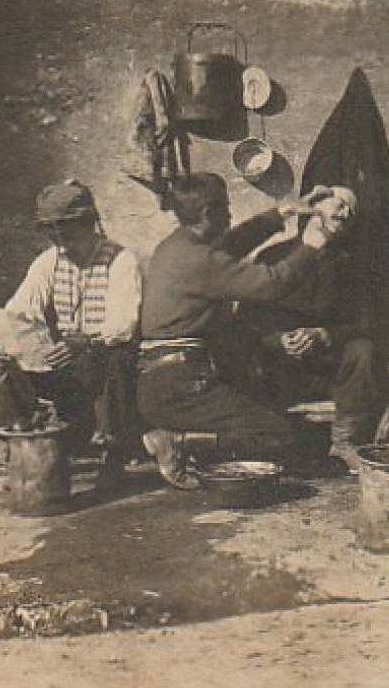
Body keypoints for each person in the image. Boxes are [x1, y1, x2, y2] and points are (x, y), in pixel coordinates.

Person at [137, 173, 333, 487]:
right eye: (225, 209)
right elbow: (271, 283)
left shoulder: (177, 245)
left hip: (164, 380)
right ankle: (179, 440)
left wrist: (283, 212)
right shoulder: (199, 260)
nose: (230, 215)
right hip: (180, 387)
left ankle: (187, 440)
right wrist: (313, 246)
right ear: (207, 214)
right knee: (275, 433)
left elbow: (231, 244)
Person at [0, 181, 143, 479]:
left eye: (69, 235)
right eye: (54, 236)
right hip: (68, 363)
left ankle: (113, 448)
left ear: (90, 225)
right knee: (0, 353)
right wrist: (5, 339)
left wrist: (84, 341)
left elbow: (124, 325)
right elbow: (20, 309)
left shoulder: (120, 260)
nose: (61, 244)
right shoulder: (49, 262)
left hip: (101, 360)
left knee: (117, 354)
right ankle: (18, 440)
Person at [231, 187, 376, 471]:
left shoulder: (353, 265)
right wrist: (278, 341)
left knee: (362, 350)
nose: (346, 213)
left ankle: (346, 443)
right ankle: (260, 442)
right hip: (276, 366)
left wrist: (324, 335)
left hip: (324, 365)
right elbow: (246, 322)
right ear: (314, 209)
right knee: (239, 350)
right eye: (341, 204)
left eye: (351, 210)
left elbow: (366, 322)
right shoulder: (273, 256)